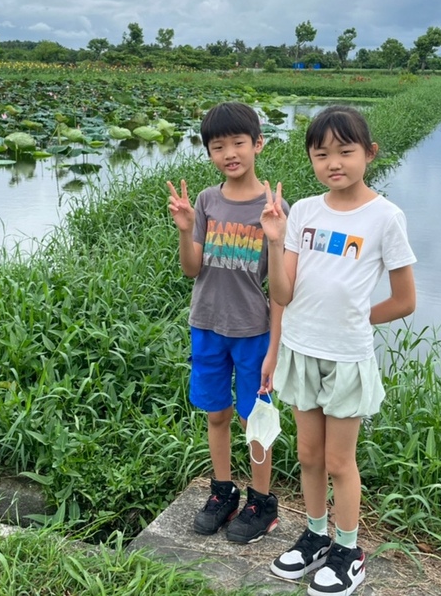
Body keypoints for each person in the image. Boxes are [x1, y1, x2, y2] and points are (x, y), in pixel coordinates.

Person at [259, 105, 416, 596]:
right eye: (321, 154)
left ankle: (349, 551)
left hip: (347, 356)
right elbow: (281, 294)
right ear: (310, 158)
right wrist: (274, 240)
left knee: (338, 461)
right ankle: (316, 535)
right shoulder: (303, 211)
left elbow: (405, 301)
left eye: (345, 152)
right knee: (308, 454)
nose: (334, 163)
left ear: (368, 153)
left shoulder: (386, 217)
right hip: (301, 351)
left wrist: (356, 319)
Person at [167, 101, 287, 545]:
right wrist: (185, 228)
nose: (229, 153)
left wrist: (275, 347)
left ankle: (261, 502)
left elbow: (280, 288)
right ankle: (223, 492)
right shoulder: (206, 201)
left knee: (253, 420)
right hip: (207, 325)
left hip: (253, 332)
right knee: (216, 413)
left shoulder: (273, 206)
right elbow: (191, 269)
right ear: (210, 153)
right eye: (218, 146)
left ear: (258, 144)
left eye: (238, 143)